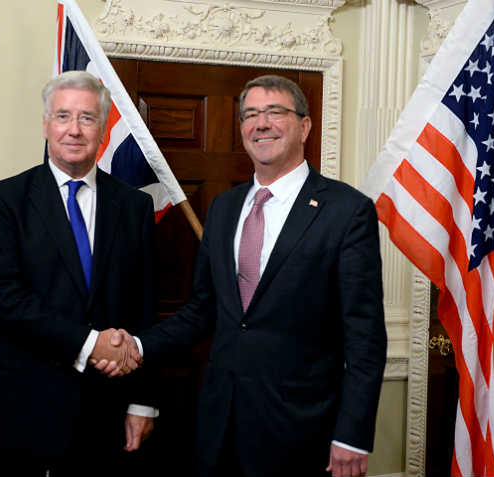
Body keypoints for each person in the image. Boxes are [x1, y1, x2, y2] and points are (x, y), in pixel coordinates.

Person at [97, 74, 387, 477]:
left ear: (304, 126)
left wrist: (352, 434)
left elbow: (365, 336)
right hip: (220, 423)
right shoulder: (224, 208)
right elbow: (202, 311)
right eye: (251, 114)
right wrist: (138, 346)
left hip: (303, 430)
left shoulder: (347, 211)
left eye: (274, 112)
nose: (261, 123)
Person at [0, 70, 157, 477]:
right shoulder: (4, 199)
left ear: (104, 128)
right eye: (63, 116)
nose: (74, 130)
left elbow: (144, 307)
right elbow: (5, 301)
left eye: (87, 118)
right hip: (20, 410)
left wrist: (143, 402)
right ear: (45, 124)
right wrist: (92, 343)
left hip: (105, 413)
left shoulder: (134, 207)